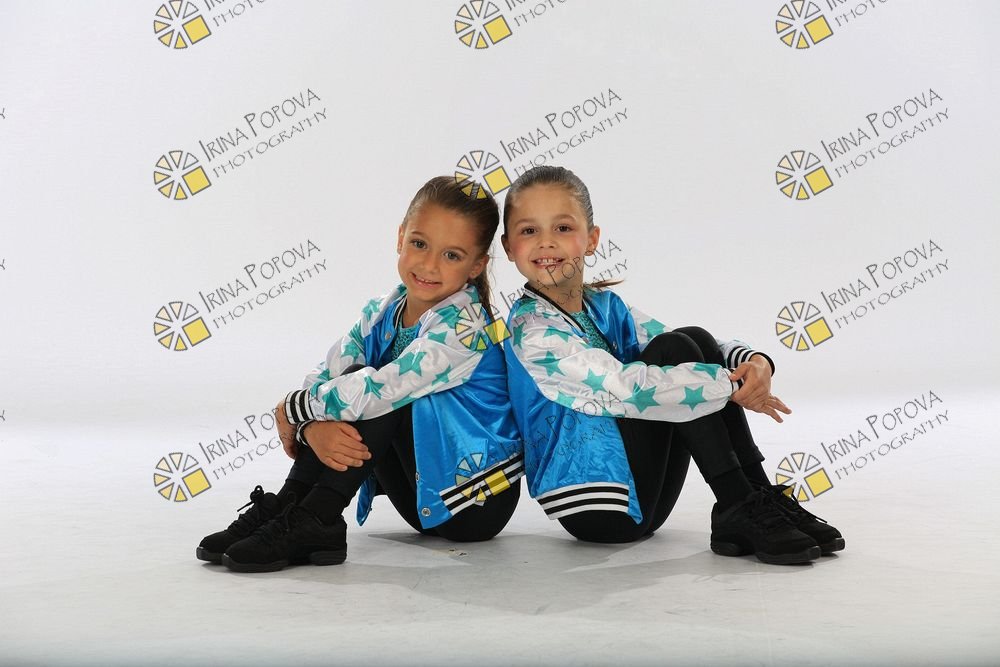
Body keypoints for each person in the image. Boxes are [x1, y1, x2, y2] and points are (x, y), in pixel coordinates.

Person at [499, 165, 843, 565]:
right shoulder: (532, 328)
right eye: (529, 231)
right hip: (595, 505)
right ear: (508, 247)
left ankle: (754, 495)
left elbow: (686, 346)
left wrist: (752, 362)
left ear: (591, 239)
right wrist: (729, 387)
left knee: (689, 338)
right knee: (675, 352)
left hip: (644, 491)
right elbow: (624, 389)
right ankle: (736, 500)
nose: (546, 242)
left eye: (562, 228)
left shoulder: (604, 306)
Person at [197, 176, 523, 573]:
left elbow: (380, 390)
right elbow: (326, 375)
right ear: (400, 237)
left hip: (477, 503)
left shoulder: (466, 326)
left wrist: (294, 410)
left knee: (382, 389)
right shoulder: (382, 311)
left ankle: (320, 516)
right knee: (355, 377)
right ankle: (291, 504)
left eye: (452, 255)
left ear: (476, 266)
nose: (429, 265)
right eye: (420, 243)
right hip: (420, 493)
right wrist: (311, 428)